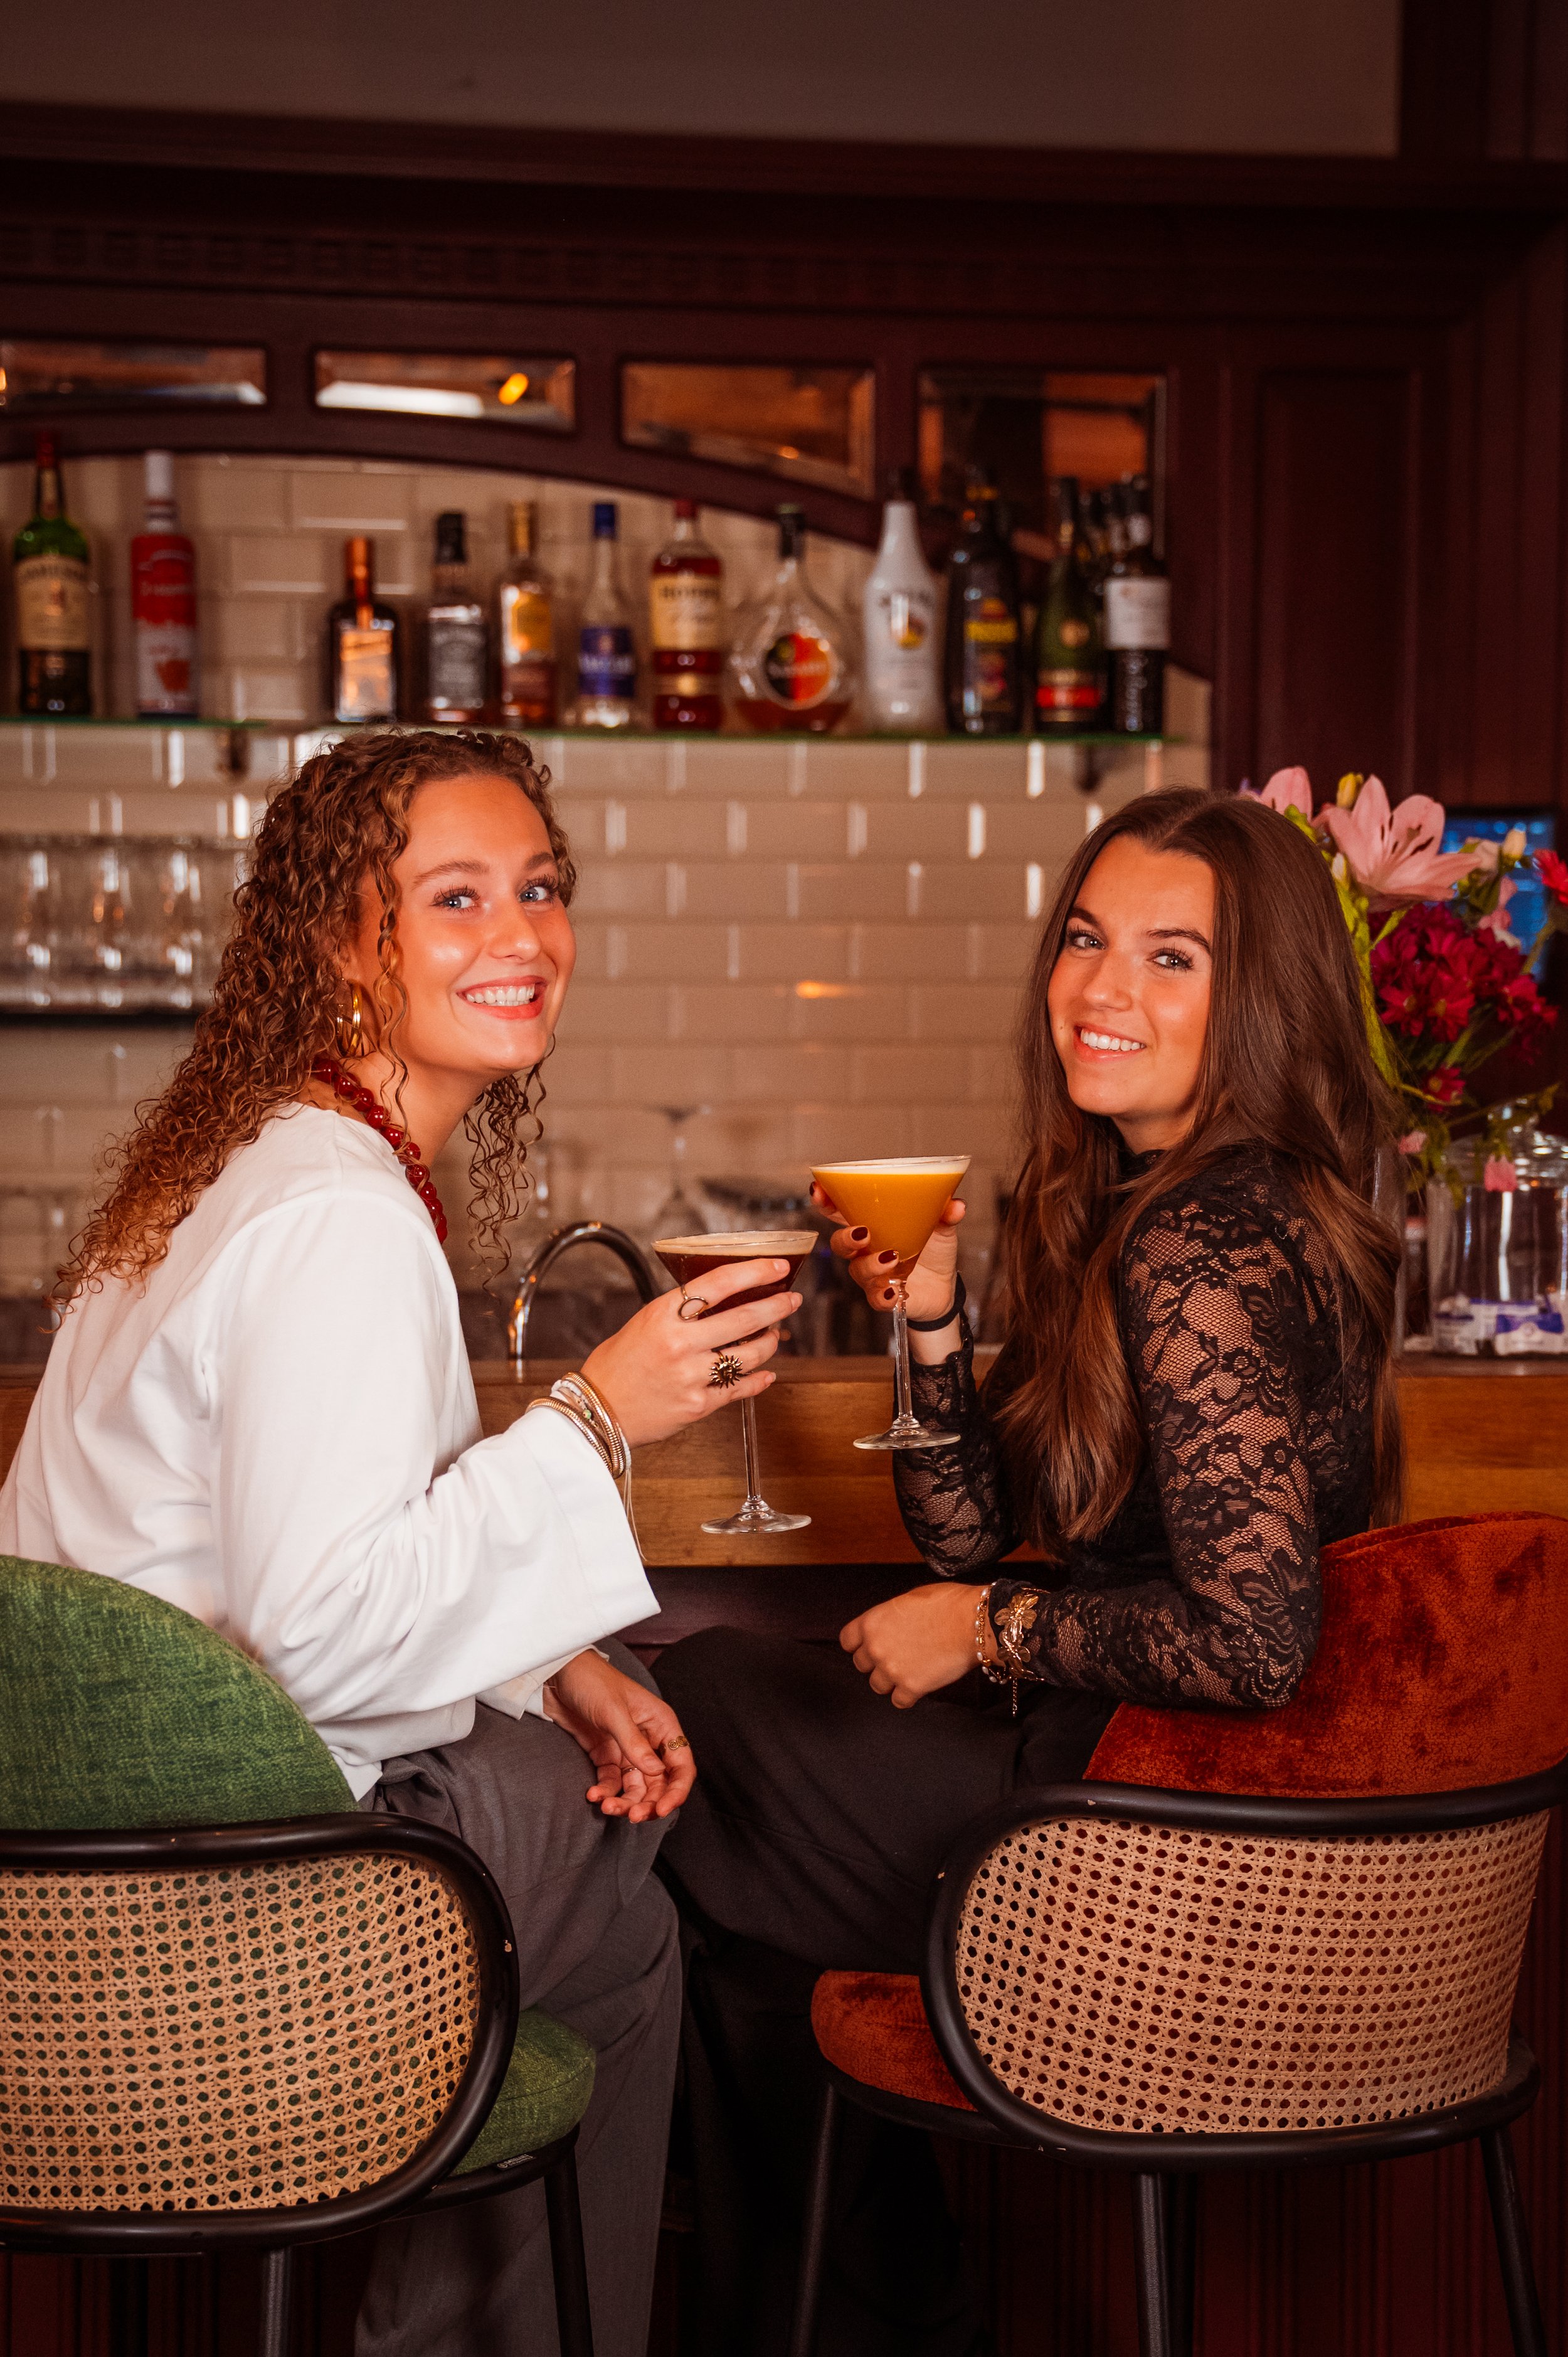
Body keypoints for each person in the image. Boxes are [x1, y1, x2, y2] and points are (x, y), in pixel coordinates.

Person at [0, 728, 803, 2357]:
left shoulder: (245, 1164)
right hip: (268, 1888)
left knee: (623, 1866)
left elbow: (301, 1545)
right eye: (455, 896)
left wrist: (558, 1657)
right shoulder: (340, 1215)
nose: (521, 933)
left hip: (86, 1898)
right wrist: (599, 1410)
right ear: (338, 938)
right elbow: (320, 1630)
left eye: (540, 887)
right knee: (657, 1878)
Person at [655, 786, 1404, 2357]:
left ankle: (864, 2313)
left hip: (1158, 1835)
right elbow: (962, 1530)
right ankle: (877, 2309)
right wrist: (929, 1314)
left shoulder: (1192, 1240)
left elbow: (1256, 1637)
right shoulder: (1186, 1205)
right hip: (1185, 1791)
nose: (1099, 989)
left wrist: (989, 1626)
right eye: (1083, 938)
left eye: (1170, 957)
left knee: (697, 1717)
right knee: (745, 1882)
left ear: (1257, 997)